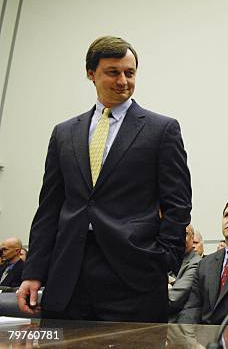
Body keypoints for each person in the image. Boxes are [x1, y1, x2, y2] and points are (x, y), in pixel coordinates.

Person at [18, 36, 192, 322]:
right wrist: (34, 272)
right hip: (68, 276)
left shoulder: (162, 130)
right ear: (91, 74)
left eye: (130, 72)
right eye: (113, 72)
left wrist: (162, 259)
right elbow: (49, 208)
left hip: (134, 274)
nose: (123, 80)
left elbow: (178, 203)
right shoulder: (63, 133)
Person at [168, 224, 202, 321]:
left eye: (185, 233)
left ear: (192, 237)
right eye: (176, 233)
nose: (180, 237)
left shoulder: (196, 263)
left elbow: (173, 299)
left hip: (176, 324)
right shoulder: (170, 258)